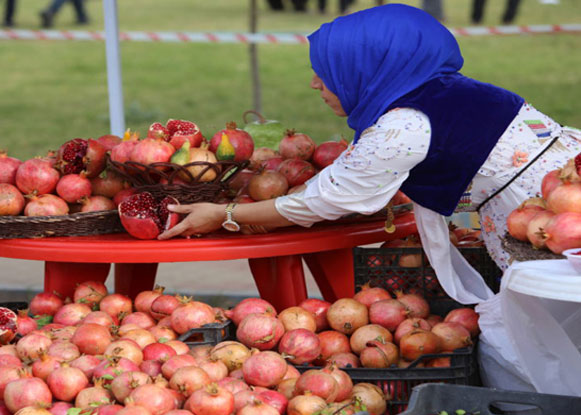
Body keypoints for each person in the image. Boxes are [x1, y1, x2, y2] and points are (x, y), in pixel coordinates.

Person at [158, 4, 580, 305]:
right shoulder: (449, 89)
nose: (314, 85)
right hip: (550, 204)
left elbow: (323, 200)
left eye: (328, 72)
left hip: (553, 221)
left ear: (368, 69)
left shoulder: (404, 125)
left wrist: (224, 213)